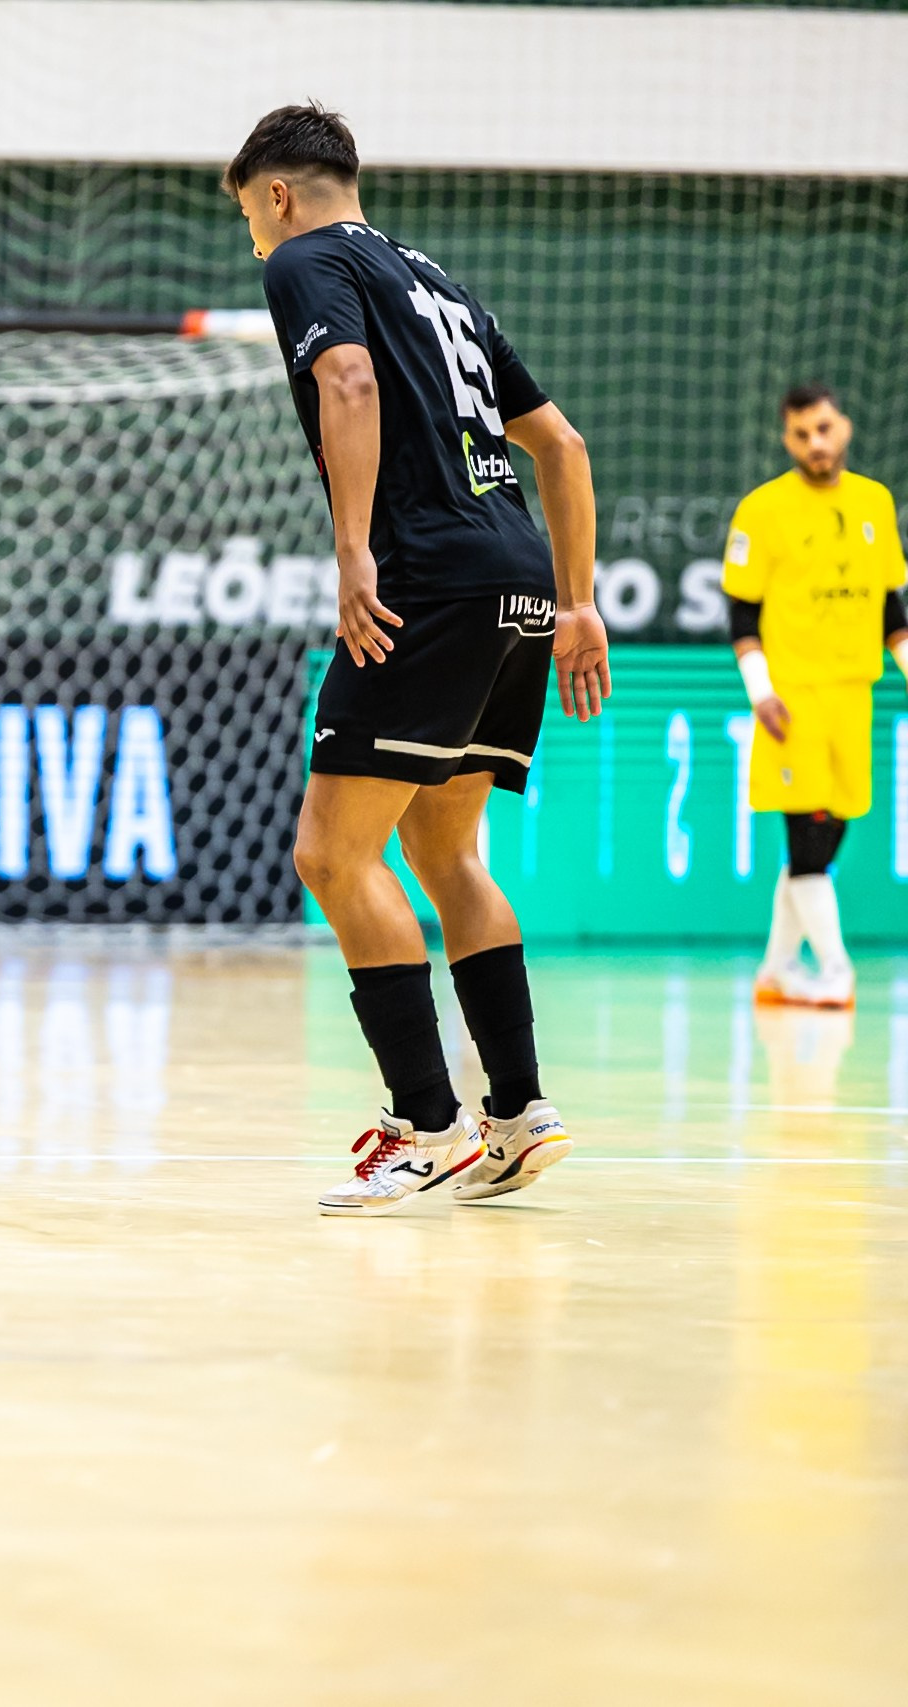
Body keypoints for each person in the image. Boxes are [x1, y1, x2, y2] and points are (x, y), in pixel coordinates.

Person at [225, 104, 610, 1215]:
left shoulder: (305, 260)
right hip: (521, 582)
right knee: (450, 858)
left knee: (331, 855)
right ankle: (519, 1114)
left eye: (252, 215)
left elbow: (346, 384)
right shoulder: (438, 283)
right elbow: (563, 446)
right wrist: (576, 603)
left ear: (280, 195)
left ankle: (428, 1124)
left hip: (428, 581)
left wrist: (352, 552)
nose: (257, 239)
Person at [725, 384, 908, 1010]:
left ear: (846, 426)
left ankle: (777, 969)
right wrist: (762, 693)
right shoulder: (763, 509)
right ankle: (835, 970)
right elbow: (742, 616)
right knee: (807, 836)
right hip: (792, 700)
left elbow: (892, 611)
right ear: (787, 438)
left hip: (854, 698)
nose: (817, 443)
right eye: (802, 434)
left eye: (825, 428)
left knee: (826, 840)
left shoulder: (874, 503)